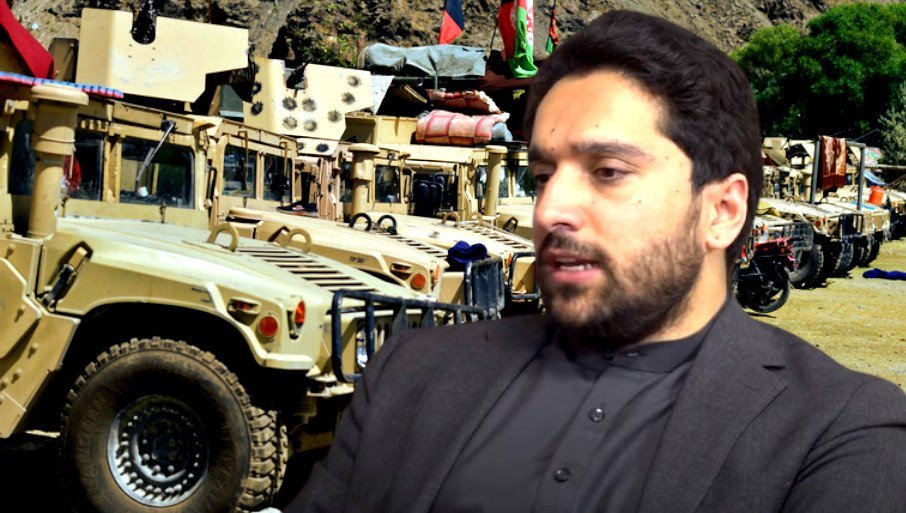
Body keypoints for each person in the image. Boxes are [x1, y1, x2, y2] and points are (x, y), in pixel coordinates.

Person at [285, 10, 906, 513]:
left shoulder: (839, 434)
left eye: (607, 171)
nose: (551, 208)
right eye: (542, 176)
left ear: (721, 211)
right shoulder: (413, 373)